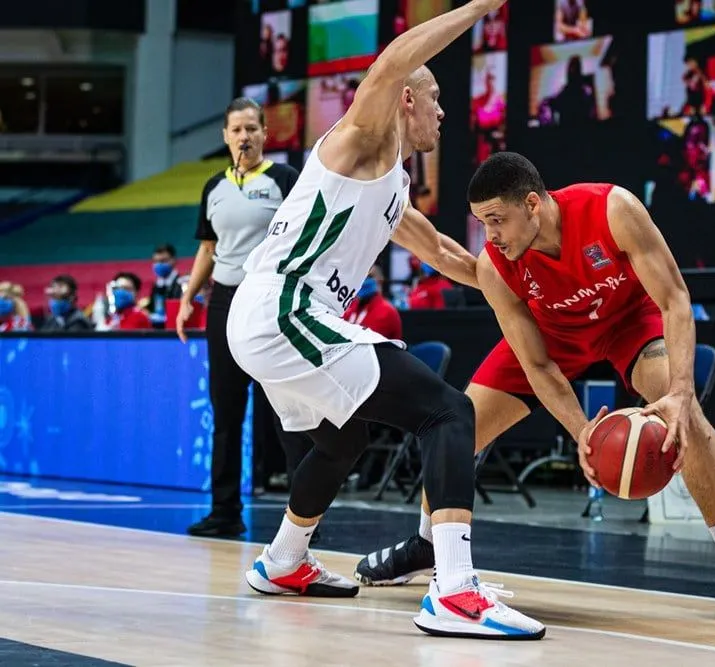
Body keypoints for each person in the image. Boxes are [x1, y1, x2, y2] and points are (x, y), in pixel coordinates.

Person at [226, 0, 544, 640]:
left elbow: (450, 257)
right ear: (406, 99)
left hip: (270, 320)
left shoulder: (389, 183)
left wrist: (527, 288)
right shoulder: (361, 141)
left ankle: (283, 561)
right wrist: (480, 7)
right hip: (284, 309)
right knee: (448, 412)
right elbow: (392, 62)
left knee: (344, 440)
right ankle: (455, 591)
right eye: (435, 99)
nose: (443, 113)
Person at [355, 151, 715, 624]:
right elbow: (538, 366)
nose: (490, 236)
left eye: (497, 220)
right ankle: (427, 543)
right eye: (481, 223)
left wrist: (681, 390)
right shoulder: (496, 266)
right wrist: (583, 433)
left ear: (532, 204)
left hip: (627, 321)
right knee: (455, 424)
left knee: (686, 415)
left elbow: (675, 299)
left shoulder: (613, 210)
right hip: (552, 334)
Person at [179, 97, 315, 538]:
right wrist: (188, 298)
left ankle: (305, 517)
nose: (244, 136)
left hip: (268, 302)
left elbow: (305, 236)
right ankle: (224, 512)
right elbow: (207, 248)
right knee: (226, 411)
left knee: (286, 411)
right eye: (237, 129)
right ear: (225, 136)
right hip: (223, 302)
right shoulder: (213, 187)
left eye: (252, 128)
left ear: (264, 134)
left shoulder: (284, 179)